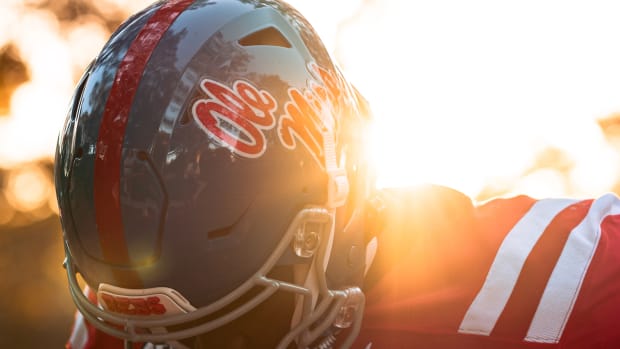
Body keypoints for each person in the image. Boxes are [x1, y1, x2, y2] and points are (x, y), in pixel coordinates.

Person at [54, 0, 620, 348]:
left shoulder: (546, 283)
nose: (181, 348)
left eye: (237, 329)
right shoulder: (134, 311)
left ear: (335, 212)